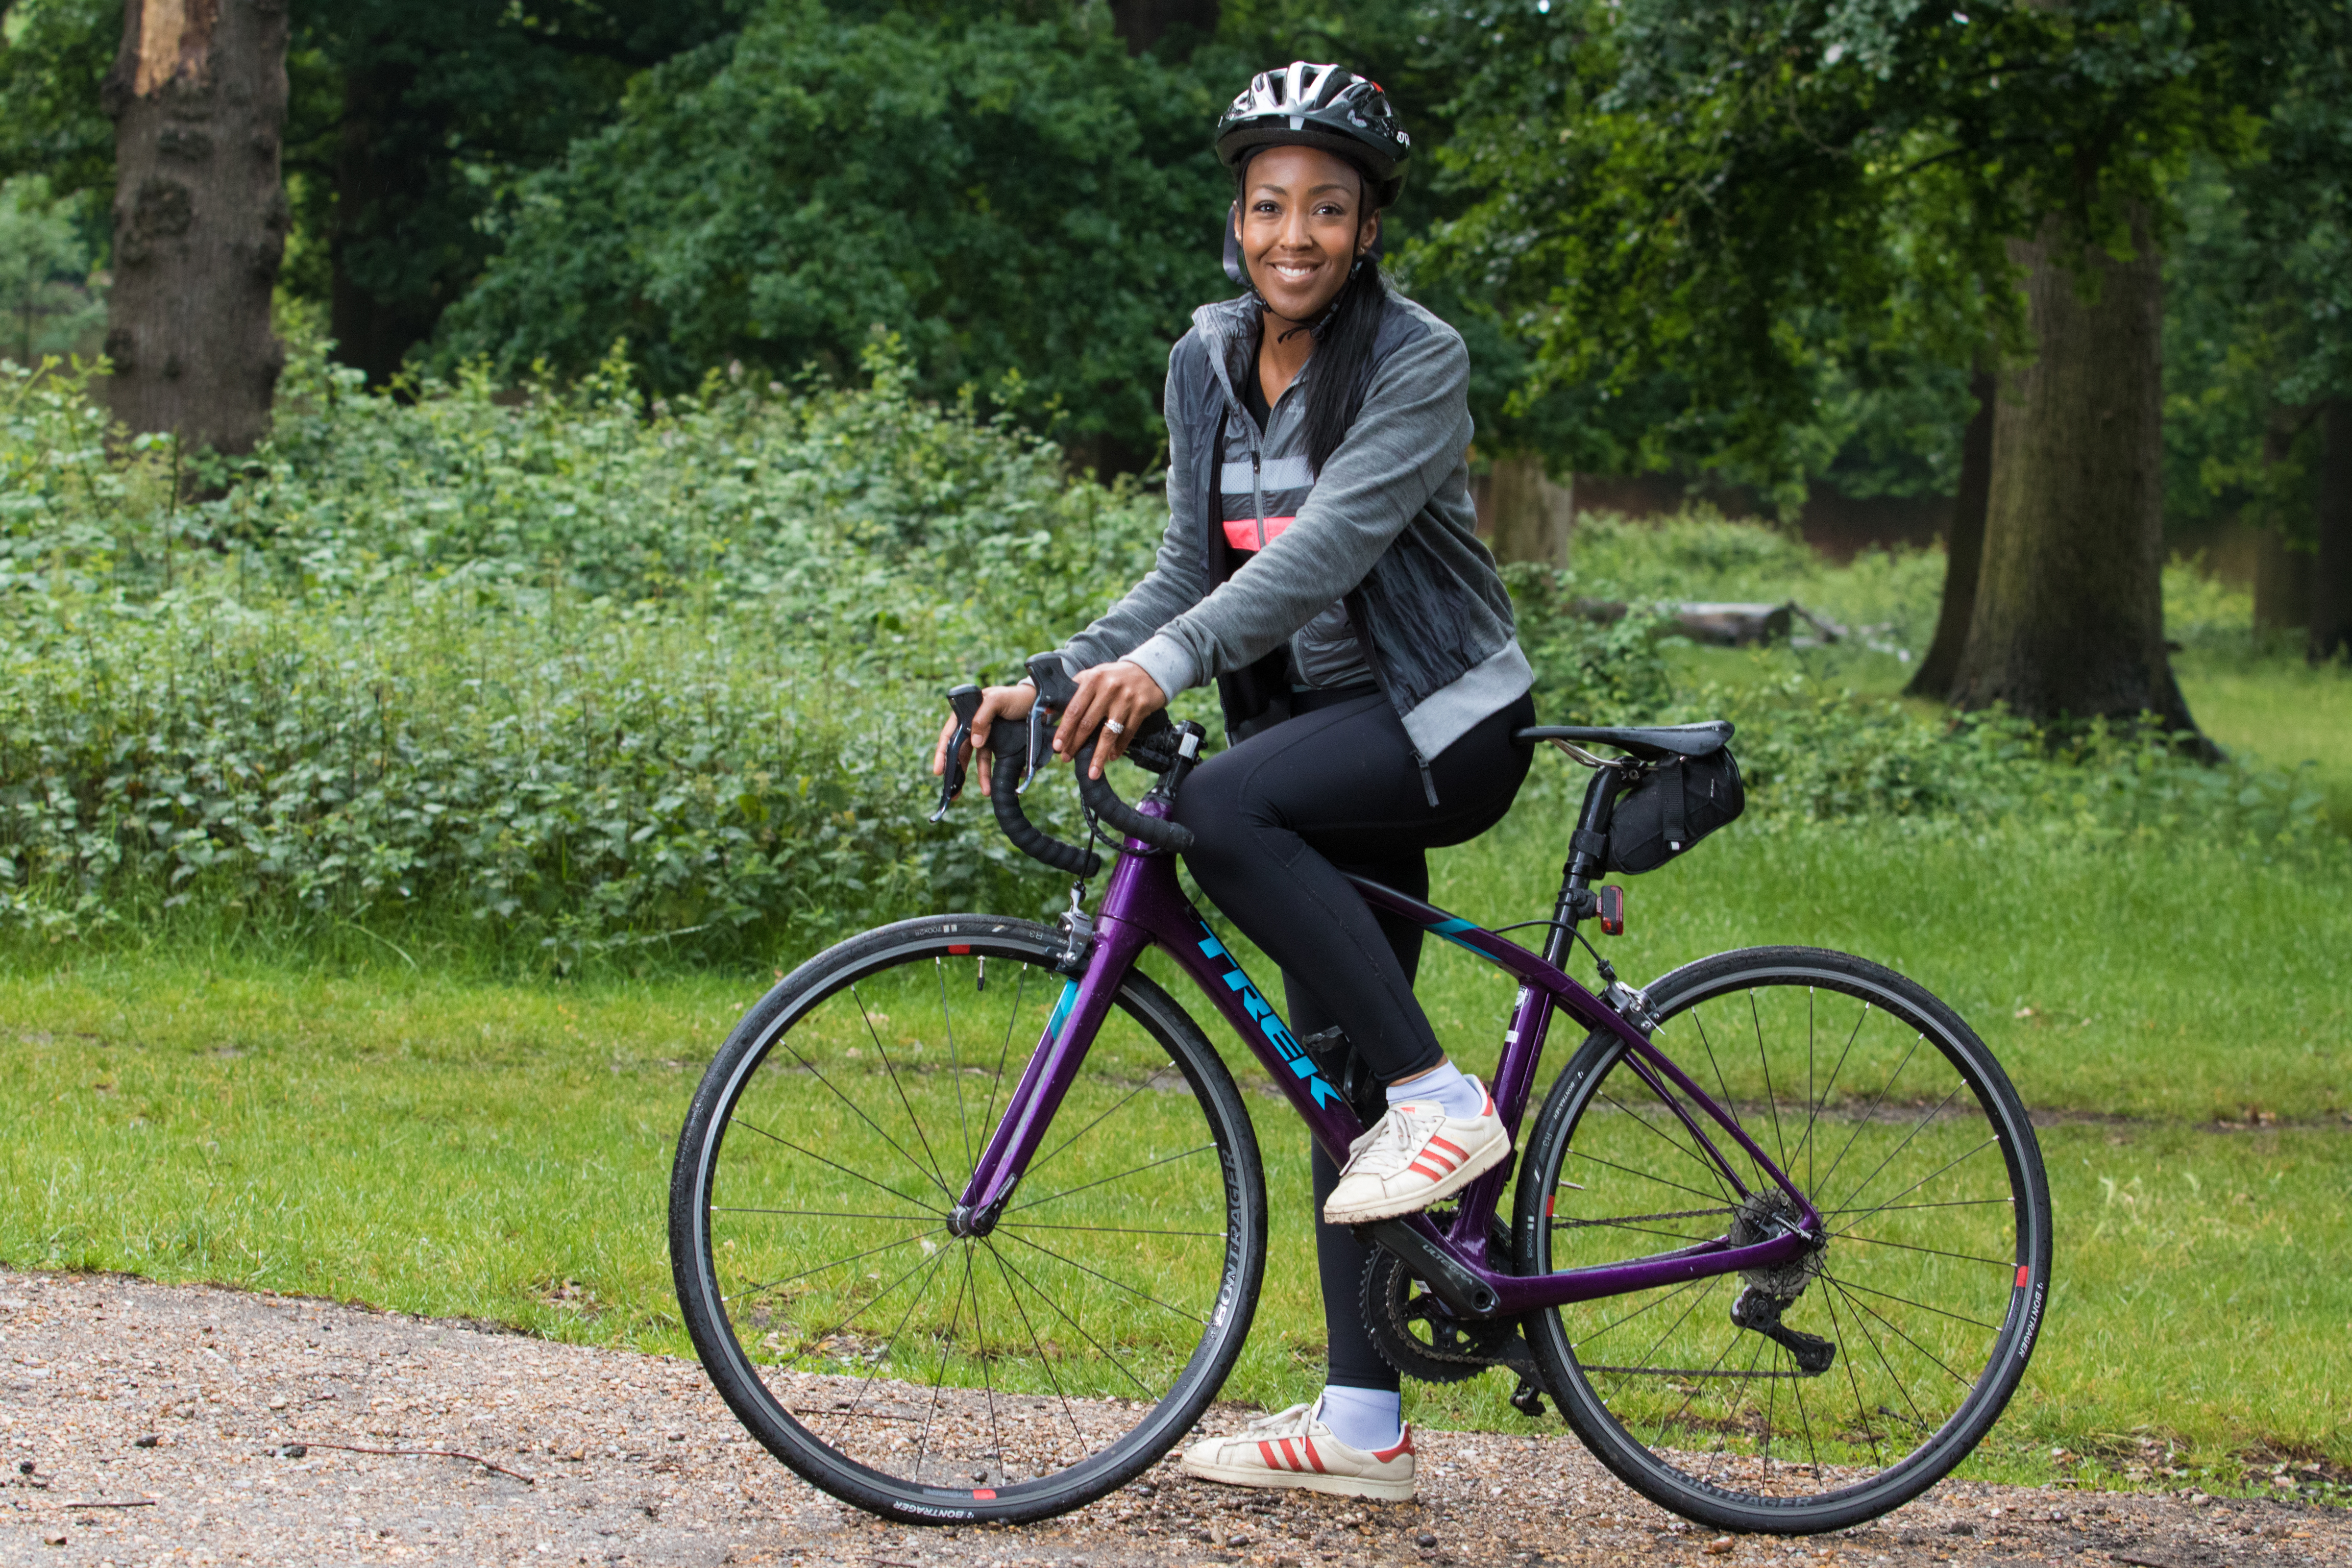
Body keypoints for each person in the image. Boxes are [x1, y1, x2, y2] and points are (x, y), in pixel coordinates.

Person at [931, 59, 1535, 1501]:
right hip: (1314, 738)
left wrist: (1175, 667)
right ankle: (1362, 1420)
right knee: (1332, 1072)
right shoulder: (1207, 356)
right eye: (1272, 206)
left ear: (1369, 230)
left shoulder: (1415, 360)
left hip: (1441, 718)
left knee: (1216, 809)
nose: (1297, 235)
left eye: (1329, 209)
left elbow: (1327, 546)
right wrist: (1061, 681)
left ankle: (1444, 1100)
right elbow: (1187, 574)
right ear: (1238, 217)